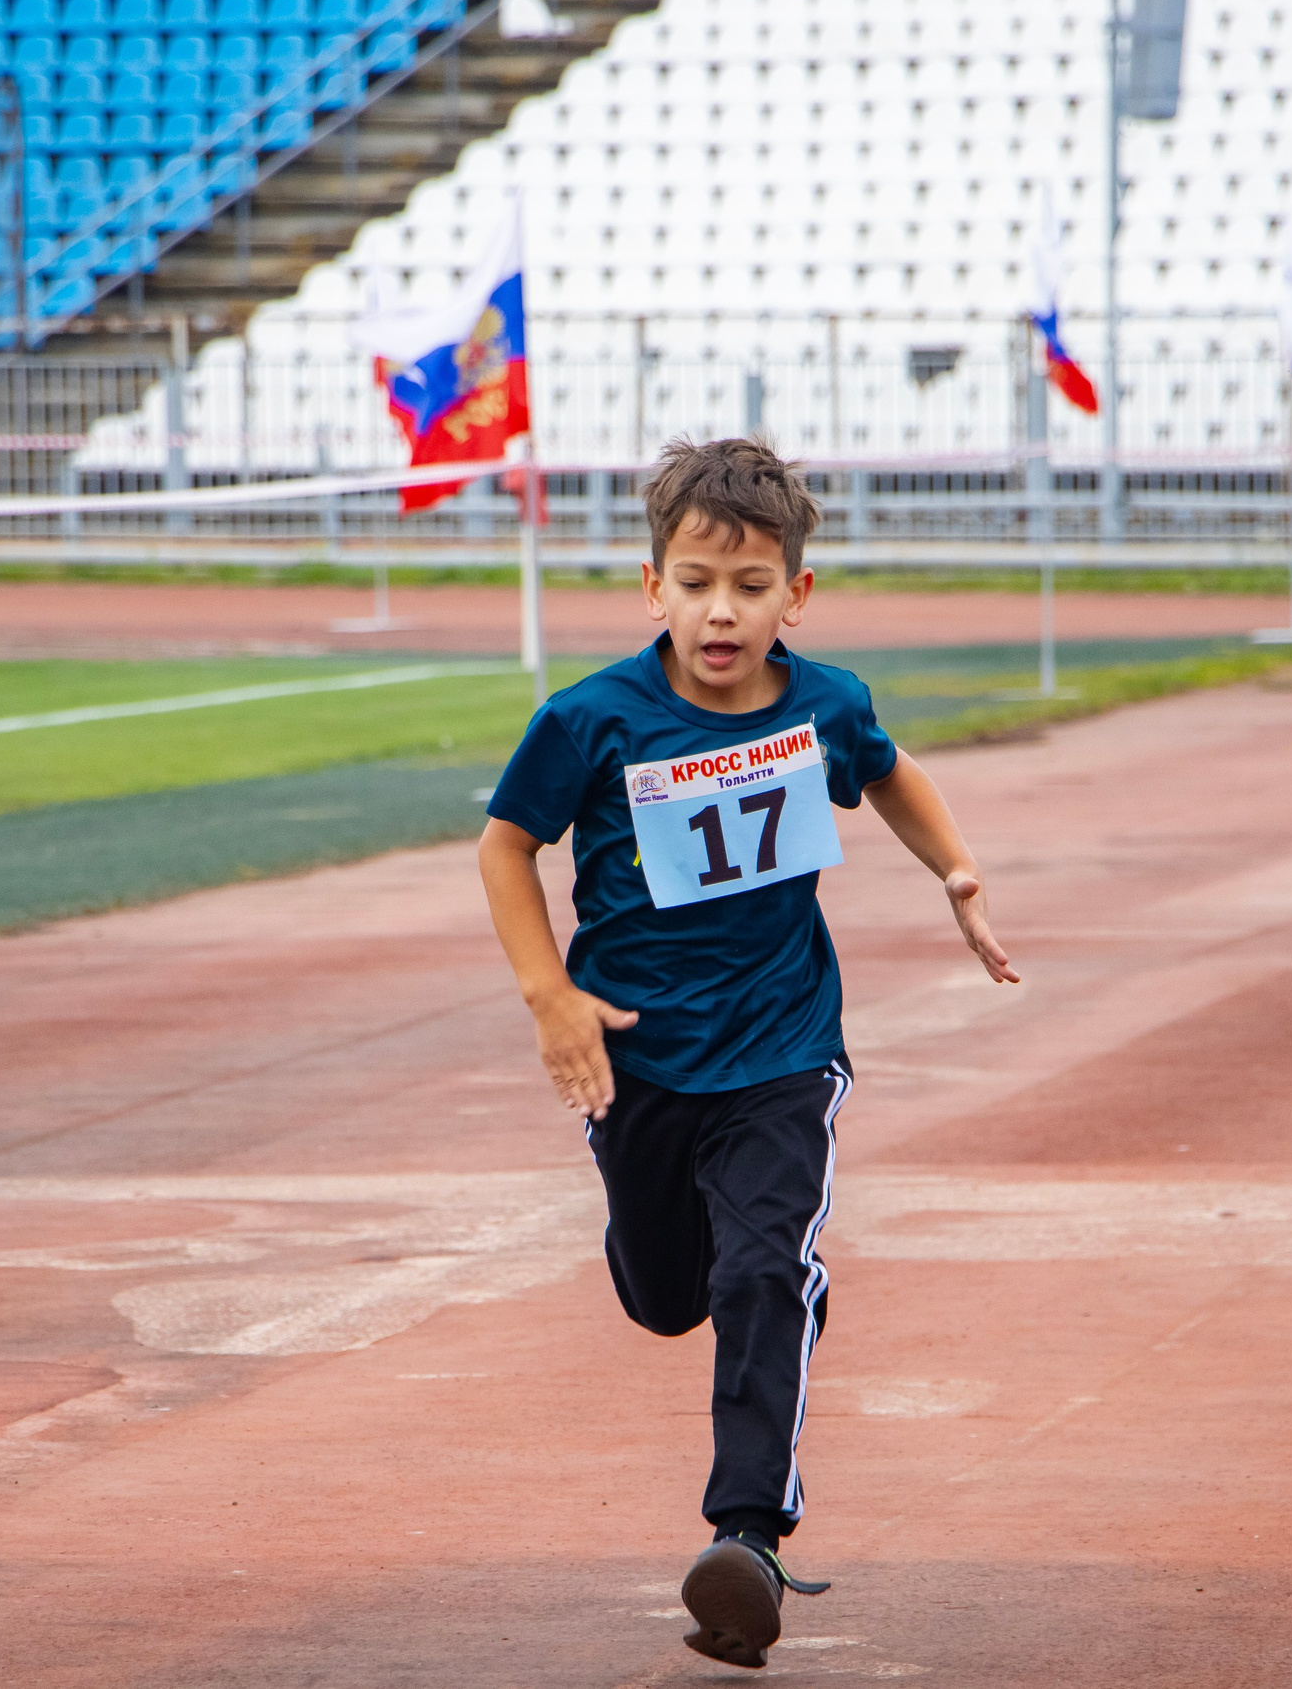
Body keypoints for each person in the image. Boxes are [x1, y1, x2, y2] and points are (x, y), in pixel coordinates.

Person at [476, 438, 1015, 1671]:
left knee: (765, 1271)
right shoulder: (591, 719)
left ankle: (746, 1539)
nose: (725, 610)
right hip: (637, 1060)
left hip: (781, 1050)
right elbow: (507, 848)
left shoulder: (826, 704)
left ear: (797, 595)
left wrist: (957, 871)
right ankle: (656, 1249)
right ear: (651, 586)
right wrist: (547, 995)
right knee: (670, 1296)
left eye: (754, 584)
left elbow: (888, 774)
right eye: (698, 581)